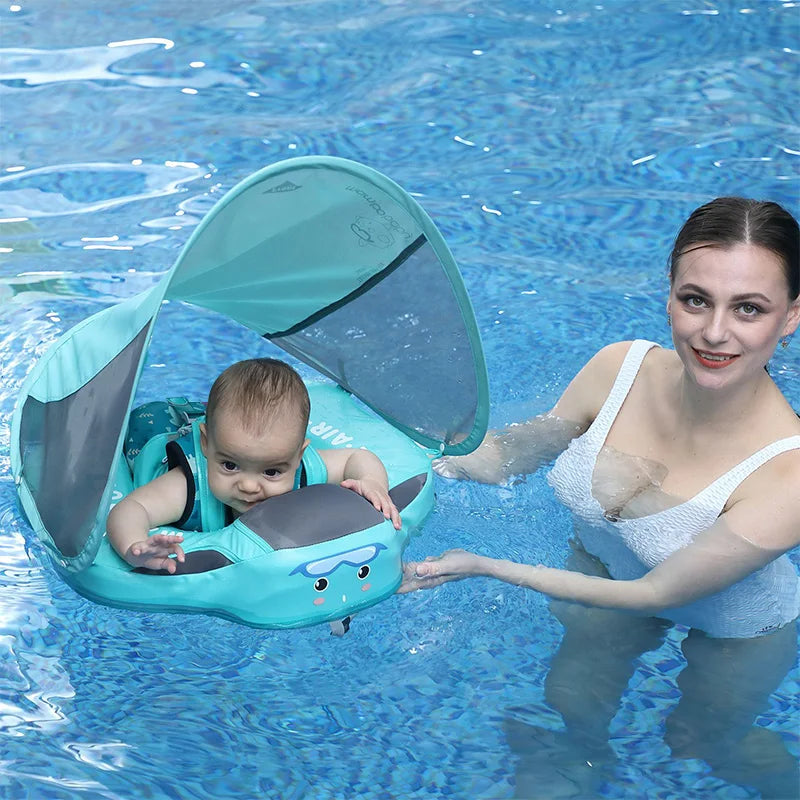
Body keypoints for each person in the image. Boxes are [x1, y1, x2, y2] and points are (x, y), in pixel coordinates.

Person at [399, 197, 800, 796]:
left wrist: (482, 566)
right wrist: (401, 453)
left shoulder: (790, 474)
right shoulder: (619, 369)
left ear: (790, 317)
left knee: (700, 741)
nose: (715, 332)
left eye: (749, 308)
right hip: (602, 570)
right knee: (571, 704)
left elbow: (653, 594)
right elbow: (507, 457)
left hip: (735, 626)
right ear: (669, 294)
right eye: (696, 299)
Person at [108, 357, 401, 572]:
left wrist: (372, 483)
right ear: (208, 446)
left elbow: (358, 458)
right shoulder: (187, 486)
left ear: (298, 457)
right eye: (230, 466)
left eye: (271, 471)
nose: (249, 486)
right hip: (149, 434)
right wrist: (134, 547)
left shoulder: (304, 469)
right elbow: (131, 509)